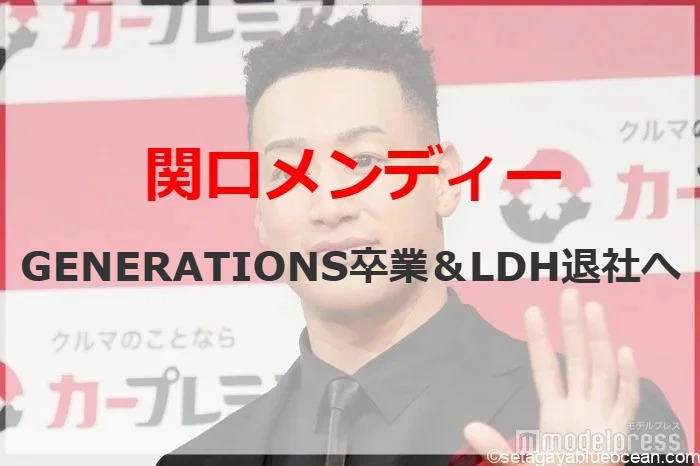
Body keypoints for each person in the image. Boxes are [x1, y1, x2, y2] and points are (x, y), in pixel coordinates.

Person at [157, 8, 688, 466]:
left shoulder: (610, 422)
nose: (329, 205)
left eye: (364, 162)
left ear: (443, 179)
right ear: (259, 213)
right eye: (287, 173)